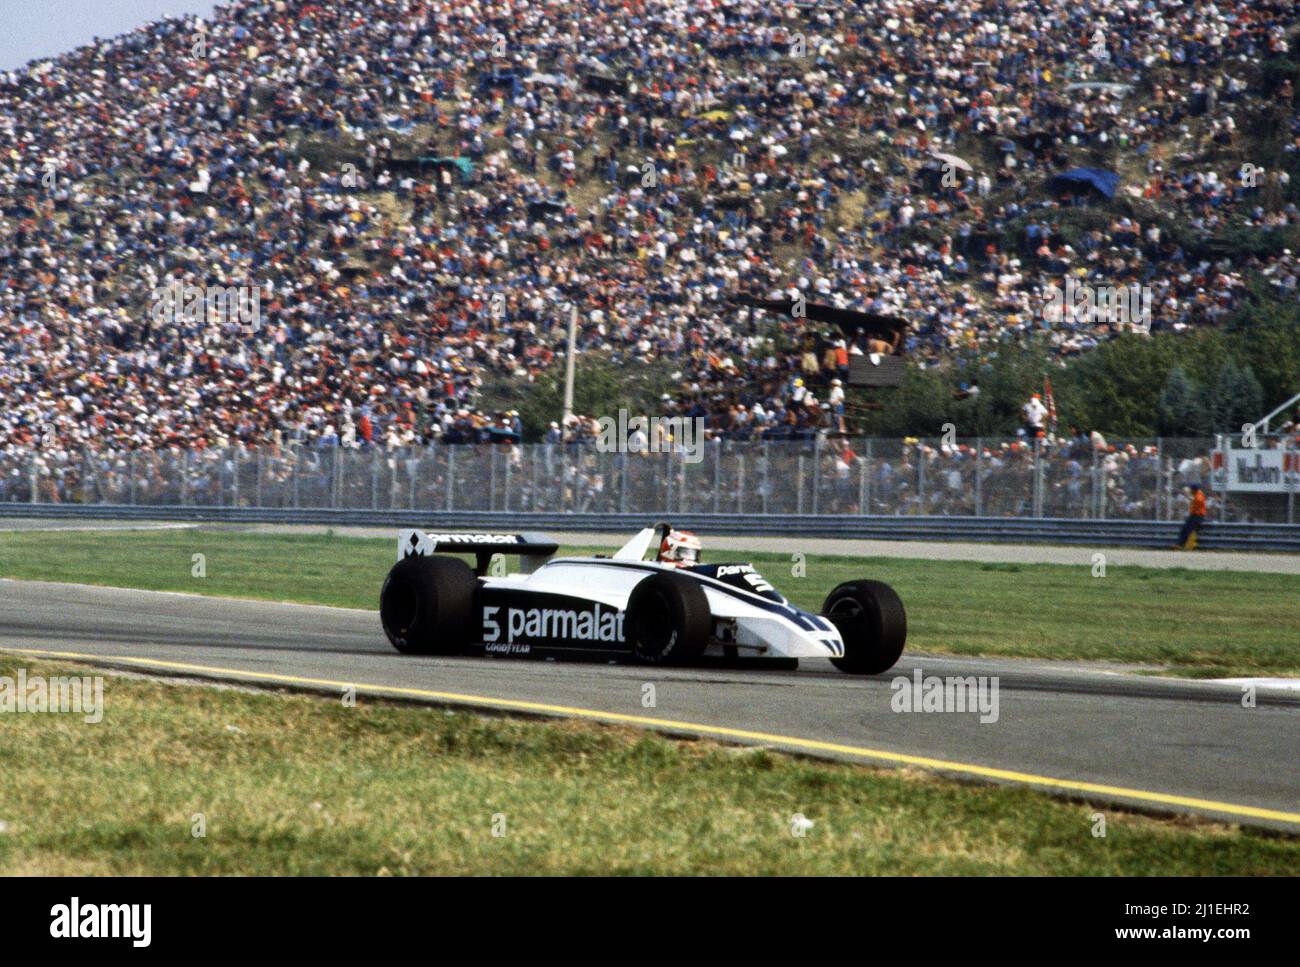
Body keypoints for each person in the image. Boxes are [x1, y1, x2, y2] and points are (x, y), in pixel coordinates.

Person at [1174, 484, 1208, 549]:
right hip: (1194, 515)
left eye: (1191, 489)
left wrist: (1187, 496)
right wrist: (1187, 495)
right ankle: (1181, 544)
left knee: (1188, 529)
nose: (1190, 490)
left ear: (1194, 490)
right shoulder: (1196, 494)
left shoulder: (1199, 494)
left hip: (1198, 516)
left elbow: (1197, 500)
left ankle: (1180, 544)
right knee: (1185, 529)